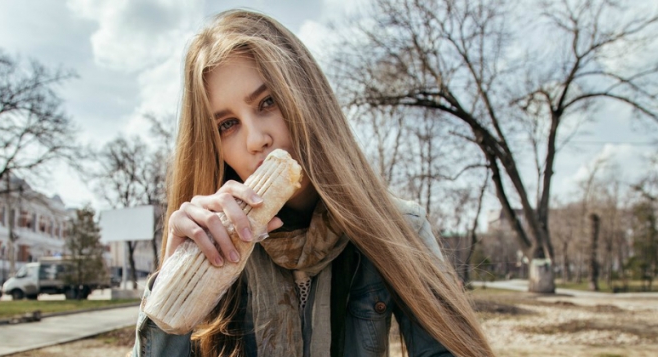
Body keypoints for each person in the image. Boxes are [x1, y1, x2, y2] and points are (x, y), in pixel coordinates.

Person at [131, 9, 493, 357]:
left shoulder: (399, 227)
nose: (256, 139)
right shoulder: (211, 243)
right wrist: (175, 283)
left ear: (306, 97)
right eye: (227, 125)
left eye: (267, 102)